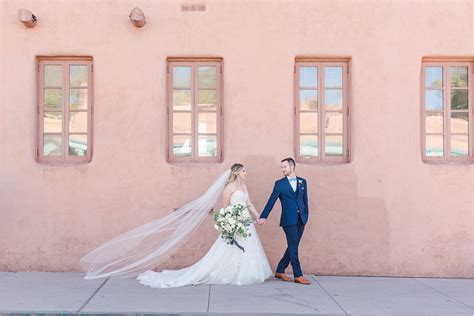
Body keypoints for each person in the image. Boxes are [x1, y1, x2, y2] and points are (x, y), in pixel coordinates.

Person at [80, 163, 273, 288]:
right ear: (237, 173)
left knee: (248, 247)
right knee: (228, 249)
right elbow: (225, 207)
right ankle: (229, 273)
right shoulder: (229, 188)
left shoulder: (243, 187)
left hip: (246, 222)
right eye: (244, 171)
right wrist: (228, 223)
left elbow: (249, 204)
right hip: (234, 221)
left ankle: (246, 273)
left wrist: (258, 217)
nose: (246, 173)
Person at [258, 158, 311, 285]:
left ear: (292, 167)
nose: (283, 169)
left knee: (293, 245)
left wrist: (306, 215)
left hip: (301, 219)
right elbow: (271, 201)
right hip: (288, 219)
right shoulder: (279, 184)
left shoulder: (302, 182)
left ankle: (280, 270)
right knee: (293, 245)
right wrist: (264, 216)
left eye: (284, 167)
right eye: (282, 167)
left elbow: (305, 200)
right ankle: (298, 274)